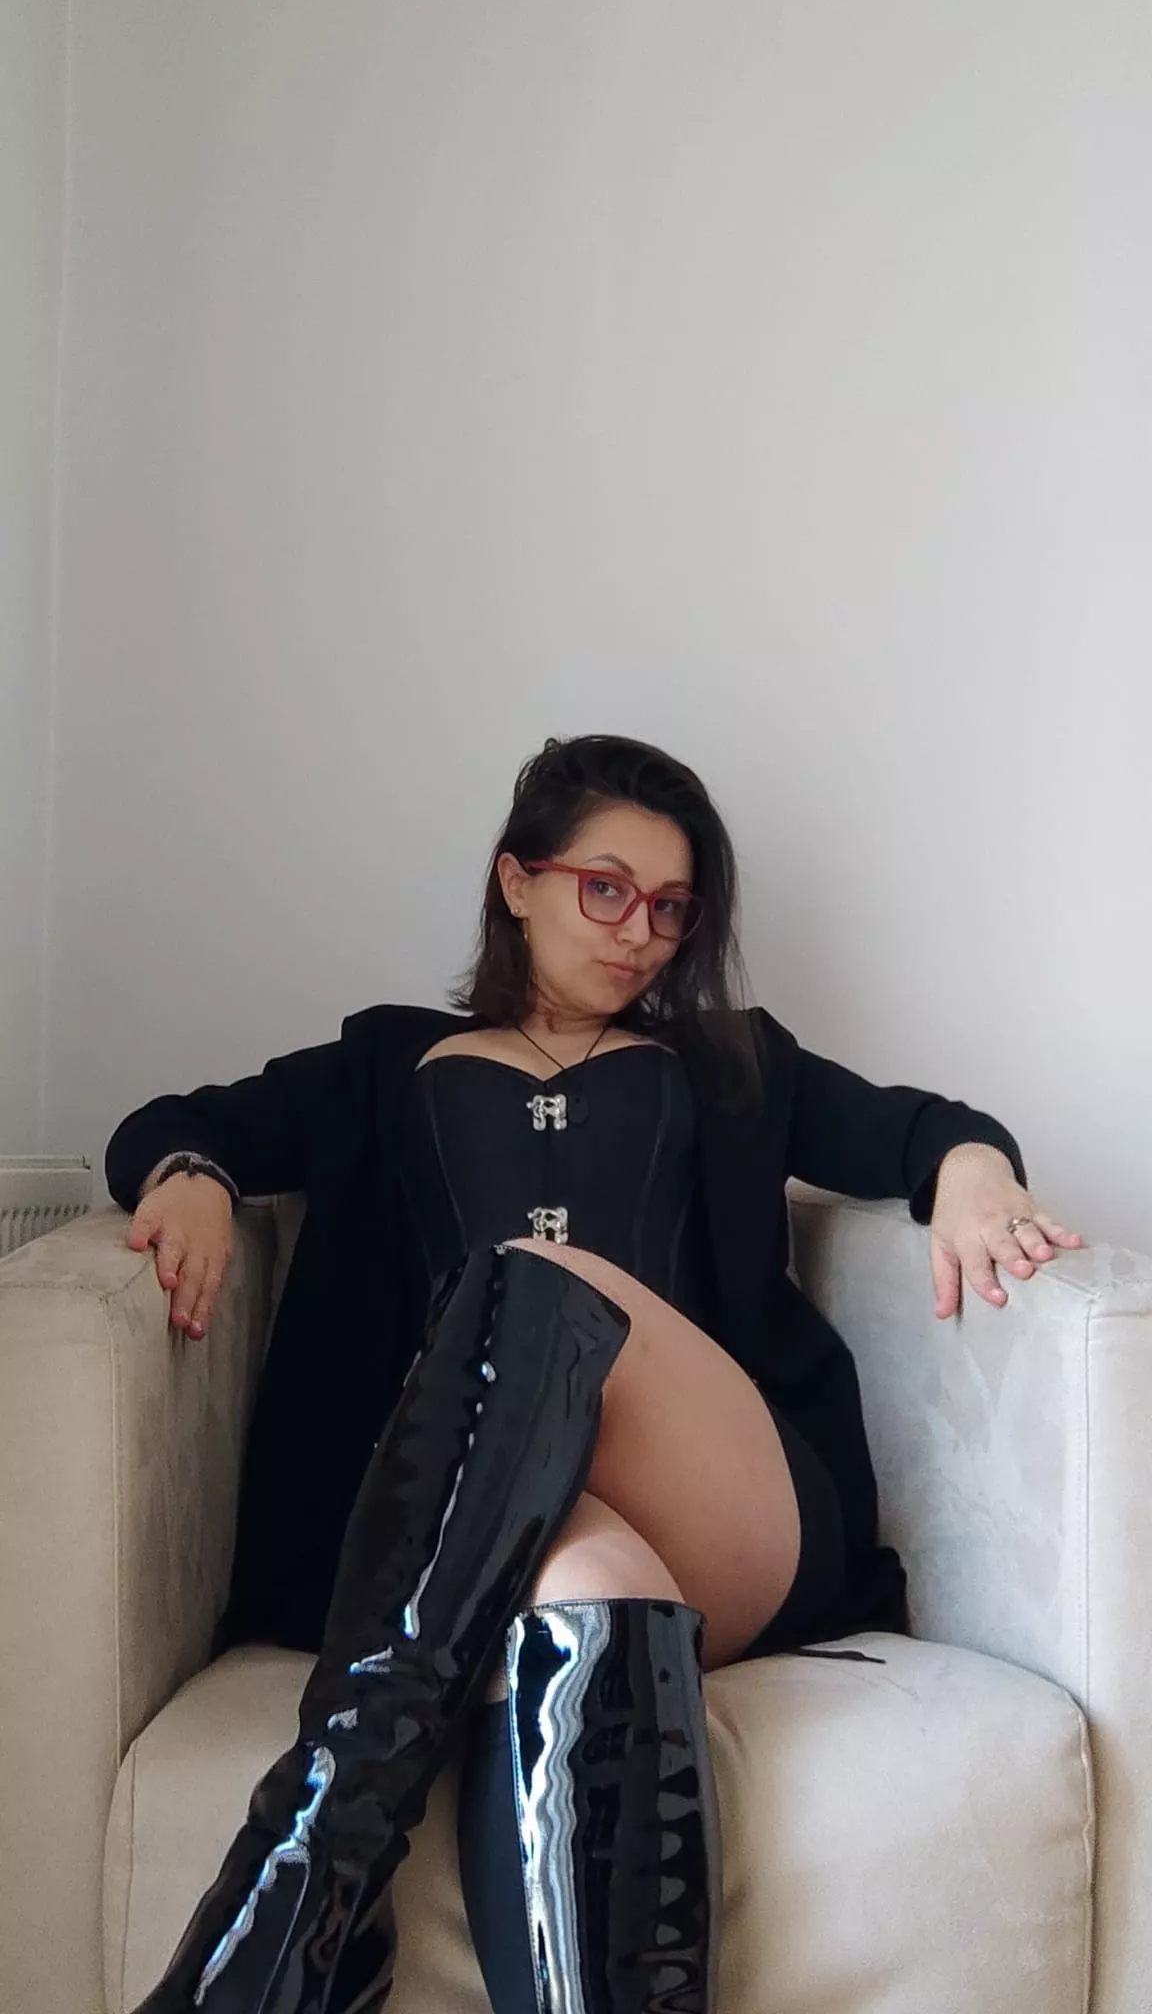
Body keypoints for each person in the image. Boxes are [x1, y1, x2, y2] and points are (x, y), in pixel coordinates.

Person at [106, 733, 1084, 2014]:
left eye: (671, 908)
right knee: (588, 1584)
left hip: (724, 1503)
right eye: (606, 888)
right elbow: (176, 1123)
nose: (640, 932)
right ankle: (312, 1938)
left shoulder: (731, 1062)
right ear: (518, 880)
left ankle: (305, 1878)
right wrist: (190, 1176)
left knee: (534, 1278)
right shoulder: (385, 1061)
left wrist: (974, 1173)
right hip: (490, 1544)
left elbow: (923, 1128)